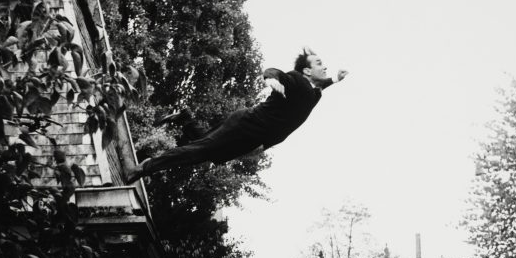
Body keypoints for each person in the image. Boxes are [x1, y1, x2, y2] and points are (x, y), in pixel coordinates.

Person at [125, 48, 348, 181]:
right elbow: (276, 72)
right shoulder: (297, 80)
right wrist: (270, 79)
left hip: (254, 139)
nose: (324, 66)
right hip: (246, 125)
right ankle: (143, 168)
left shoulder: (315, 93)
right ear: (307, 71)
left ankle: (185, 118)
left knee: (209, 152)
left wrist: (335, 79)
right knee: (200, 151)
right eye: (319, 63)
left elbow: (320, 86)